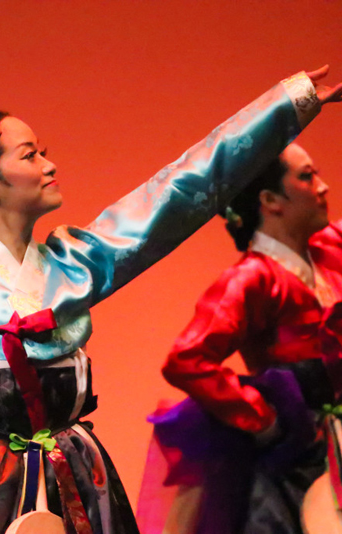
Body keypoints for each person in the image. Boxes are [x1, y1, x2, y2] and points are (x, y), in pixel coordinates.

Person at [0, 68, 342, 534]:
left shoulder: (74, 265)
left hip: (77, 474)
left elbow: (176, 192)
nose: (49, 164)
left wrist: (287, 105)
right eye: (30, 155)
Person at [137, 143, 342, 534]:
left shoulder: (330, 248)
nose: (323, 186)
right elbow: (187, 359)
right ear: (270, 200)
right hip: (297, 458)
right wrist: (262, 417)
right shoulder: (252, 279)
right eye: (307, 176)